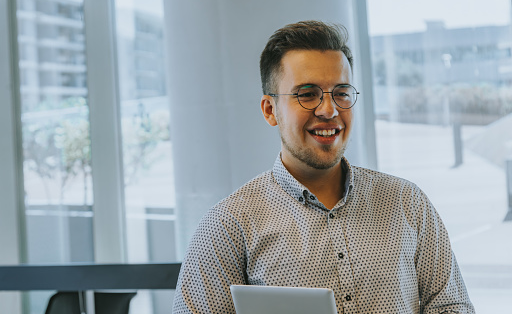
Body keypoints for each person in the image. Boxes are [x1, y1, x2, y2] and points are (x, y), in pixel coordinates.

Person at [172, 20, 475, 314]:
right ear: (270, 110)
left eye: (341, 93)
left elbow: (452, 306)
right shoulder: (228, 226)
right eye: (307, 94)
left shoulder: (407, 202)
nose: (329, 110)